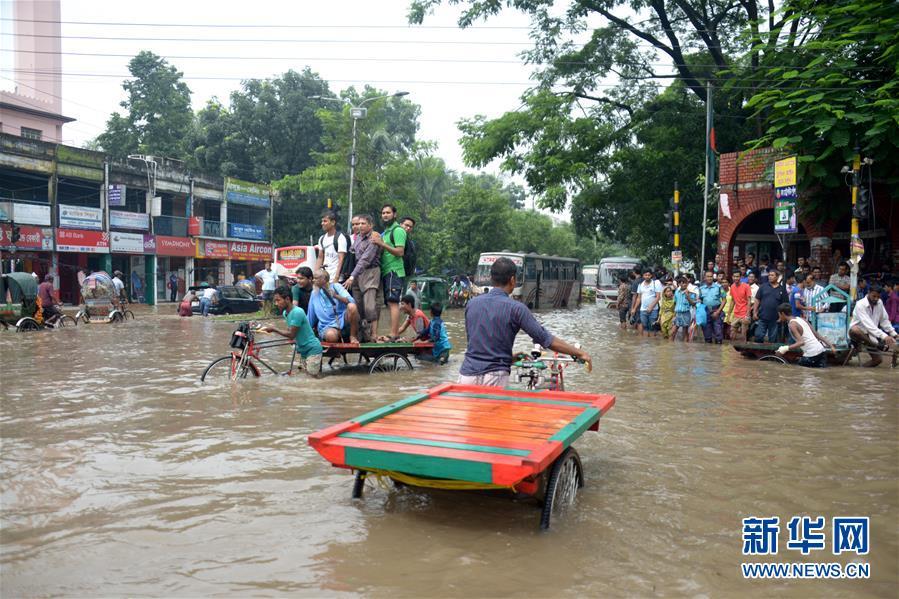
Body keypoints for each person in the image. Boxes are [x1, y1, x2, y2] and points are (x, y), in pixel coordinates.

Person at [458, 257, 591, 387]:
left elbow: (478, 345)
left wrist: (509, 358)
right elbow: (545, 339)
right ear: (512, 280)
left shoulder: (472, 304)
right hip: (495, 377)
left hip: (466, 375)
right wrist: (579, 353)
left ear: (492, 279)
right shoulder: (516, 308)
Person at [258, 286, 323, 378]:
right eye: (275, 301)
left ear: (287, 299)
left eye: (278, 300)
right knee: (306, 379)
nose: (276, 303)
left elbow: (291, 335)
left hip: (312, 349)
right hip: (303, 350)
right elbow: (290, 331)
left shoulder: (297, 312)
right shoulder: (286, 313)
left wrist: (274, 329)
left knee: (311, 379)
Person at [343, 214, 382, 342]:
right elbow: (352, 252)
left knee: (370, 306)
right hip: (357, 274)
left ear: (370, 225)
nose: (360, 226)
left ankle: (374, 334)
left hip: (370, 271)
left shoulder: (374, 238)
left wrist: (352, 276)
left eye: (363, 223)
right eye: (358, 224)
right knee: (358, 305)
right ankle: (361, 334)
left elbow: (365, 260)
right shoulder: (358, 238)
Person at [372, 204, 407, 338]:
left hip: (394, 271)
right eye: (383, 213)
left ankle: (394, 334)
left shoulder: (397, 230)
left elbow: (400, 252)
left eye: (388, 212)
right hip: (387, 271)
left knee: (393, 302)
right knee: (389, 302)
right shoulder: (386, 232)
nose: (385, 215)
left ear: (394, 214)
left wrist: (381, 244)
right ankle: (392, 332)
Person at [849, 285, 899, 367]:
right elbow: (868, 324)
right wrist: (884, 336)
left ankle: (860, 370)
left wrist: (893, 333)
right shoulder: (860, 304)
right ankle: (876, 345)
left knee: (878, 360)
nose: (876, 299)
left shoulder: (879, 302)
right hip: (857, 334)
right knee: (855, 329)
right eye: (874, 296)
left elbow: (884, 320)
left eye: (878, 297)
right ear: (868, 293)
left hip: (871, 334)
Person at [308, 269, 360, 343]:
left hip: (342, 319)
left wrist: (335, 296)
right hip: (327, 326)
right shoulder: (314, 293)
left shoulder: (336, 286)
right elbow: (310, 317)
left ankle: (353, 336)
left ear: (324, 279)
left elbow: (351, 301)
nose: (313, 280)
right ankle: (336, 351)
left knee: (352, 307)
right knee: (331, 336)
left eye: (316, 278)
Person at [774, 303, 834, 368]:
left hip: (811, 355)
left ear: (782, 313)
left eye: (779, 314)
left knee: (801, 373)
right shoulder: (801, 319)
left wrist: (784, 348)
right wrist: (831, 345)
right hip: (821, 351)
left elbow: (801, 342)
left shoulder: (792, 325)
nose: (779, 317)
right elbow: (816, 334)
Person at [753, 270, 789, 342]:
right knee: (758, 336)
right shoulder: (763, 286)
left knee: (773, 339)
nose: (770, 277)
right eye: (769, 275)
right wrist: (754, 312)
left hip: (775, 319)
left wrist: (782, 317)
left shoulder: (782, 289)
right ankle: (758, 353)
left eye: (772, 275)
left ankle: (771, 353)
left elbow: (785, 305)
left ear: (777, 277)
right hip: (762, 316)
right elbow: (757, 300)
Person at [315, 211, 350, 283]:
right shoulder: (322, 238)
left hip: (337, 278)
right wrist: (315, 275)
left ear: (333, 222)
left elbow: (341, 259)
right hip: (324, 278)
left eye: (325, 221)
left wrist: (336, 278)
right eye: (322, 221)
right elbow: (320, 257)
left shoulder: (340, 237)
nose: (322, 223)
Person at [698, 271, 724, 344]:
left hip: (716, 310)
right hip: (705, 311)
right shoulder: (701, 288)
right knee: (707, 335)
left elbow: (724, 300)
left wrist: (718, 312)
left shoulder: (719, 287)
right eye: (707, 276)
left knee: (718, 332)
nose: (709, 278)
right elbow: (700, 300)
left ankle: (718, 352)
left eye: (711, 276)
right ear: (704, 278)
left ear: (713, 277)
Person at [636, 269, 663, 337]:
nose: (647, 276)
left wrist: (651, 307)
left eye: (649, 275)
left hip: (653, 310)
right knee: (644, 327)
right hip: (643, 310)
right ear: (643, 276)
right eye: (646, 275)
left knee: (652, 327)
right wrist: (634, 308)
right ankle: (645, 344)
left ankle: (652, 345)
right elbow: (639, 298)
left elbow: (658, 297)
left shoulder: (655, 283)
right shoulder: (640, 285)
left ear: (651, 275)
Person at [671, 277, 696, 342]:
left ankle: (685, 348)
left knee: (685, 333)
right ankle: (670, 348)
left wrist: (688, 297)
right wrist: (674, 315)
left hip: (686, 314)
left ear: (687, 284)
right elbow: (675, 303)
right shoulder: (677, 292)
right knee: (673, 332)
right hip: (678, 314)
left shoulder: (690, 293)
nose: (682, 284)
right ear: (678, 284)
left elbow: (693, 304)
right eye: (680, 283)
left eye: (684, 283)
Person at [729, 271, 752, 341]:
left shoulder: (746, 286)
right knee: (732, 335)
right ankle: (733, 351)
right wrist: (729, 313)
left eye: (737, 276)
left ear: (741, 277)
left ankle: (744, 351)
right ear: (732, 277)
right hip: (736, 313)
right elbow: (733, 300)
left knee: (743, 335)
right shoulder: (732, 287)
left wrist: (747, 314)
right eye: (734, 276)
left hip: (745, 313)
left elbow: (749, 301)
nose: (736, 278)